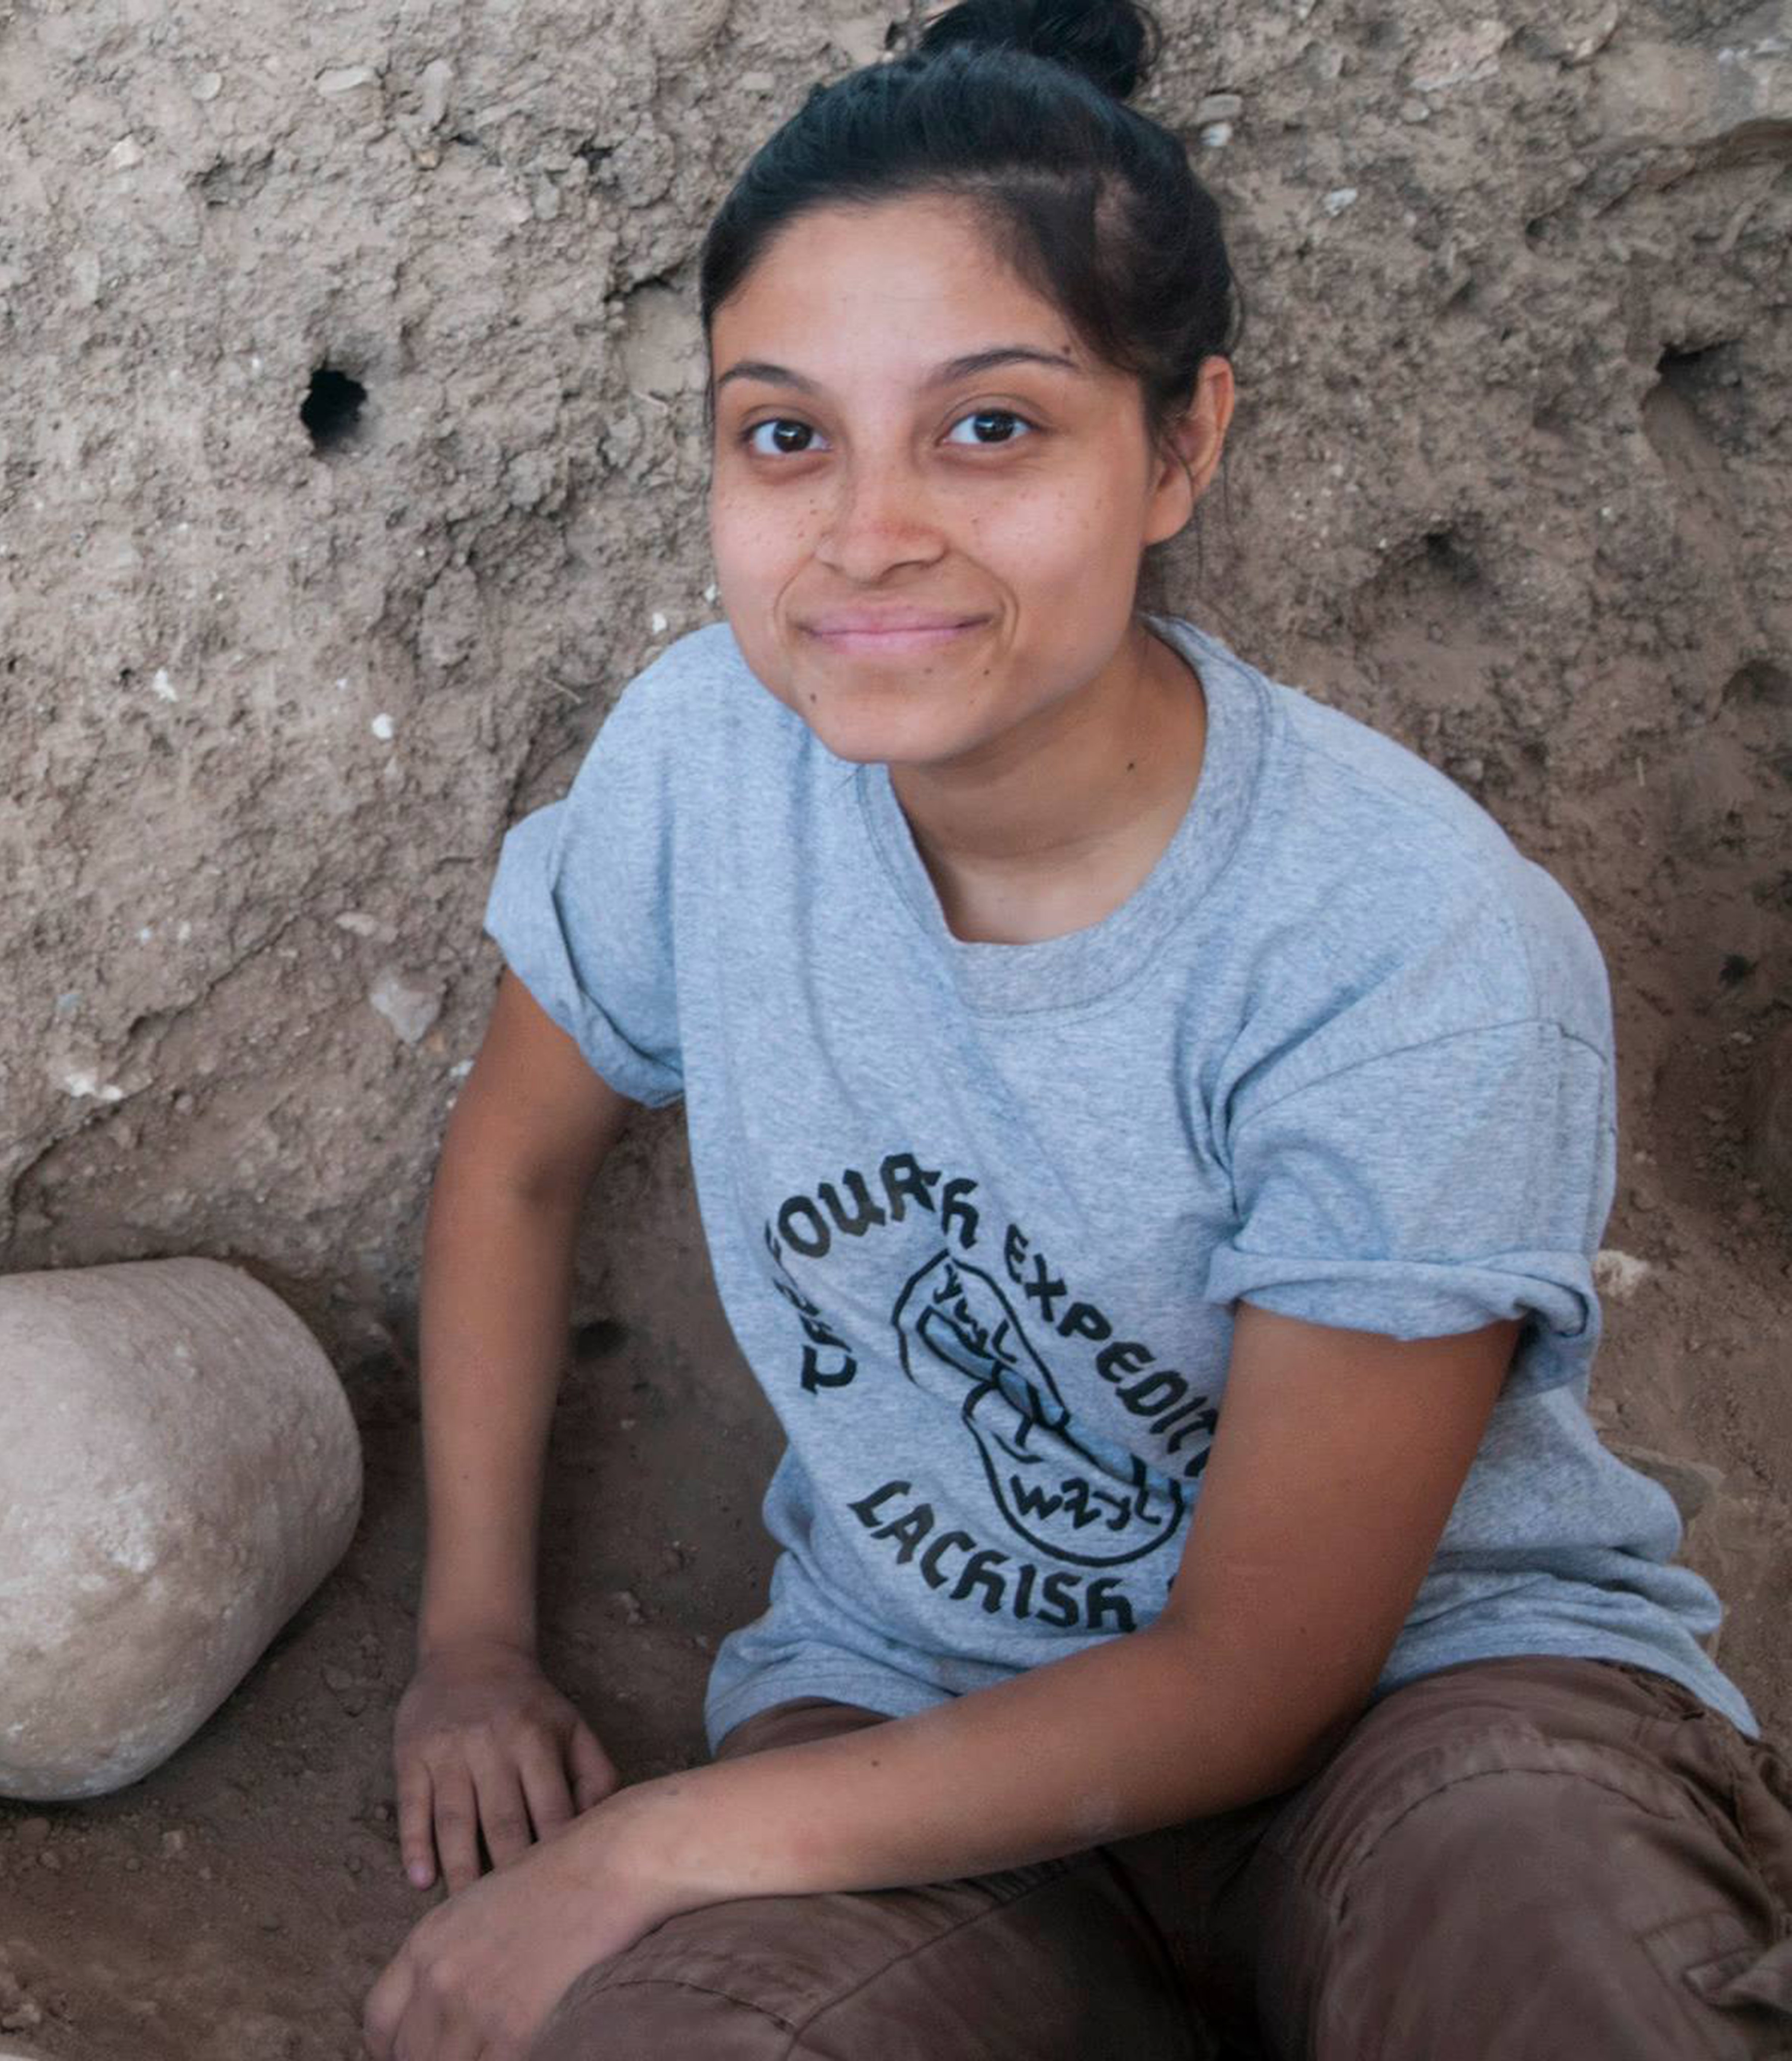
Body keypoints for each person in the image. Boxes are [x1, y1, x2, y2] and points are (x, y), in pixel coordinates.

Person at [362, 3, 1792, 2056]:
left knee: (1555, 1968)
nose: (867, 531)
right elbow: (512, 1156)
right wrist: (473, 1646)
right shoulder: (706, 767)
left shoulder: (1402, 945)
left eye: (989, 427)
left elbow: (1252, 1676)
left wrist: (640, 1845)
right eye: (784, 433)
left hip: (1427, 1707)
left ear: (1180, 444)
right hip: (919, 1716)